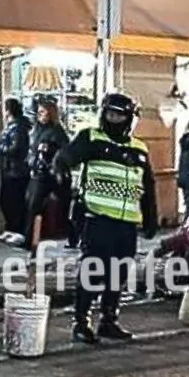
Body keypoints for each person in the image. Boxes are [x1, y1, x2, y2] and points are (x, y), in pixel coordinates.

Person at [54, 93, 157, 344]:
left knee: (118, 274)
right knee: (92, 272)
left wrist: (151, 218)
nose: (115, 119)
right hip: (97, 219)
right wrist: (62, 185)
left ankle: (109, 320)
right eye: (111, 114)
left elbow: (148, 186)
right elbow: (63, 161)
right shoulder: (91, 138)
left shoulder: (139, 148)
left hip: (127, 223)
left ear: (129, 118)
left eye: (120, 115)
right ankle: (81, 322)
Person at [25, 101, 71, 249]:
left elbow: (65, 151)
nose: (40, 115)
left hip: (51, 173)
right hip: (38, 172)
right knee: (32, 205)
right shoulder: (37, 129)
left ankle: (73, 236)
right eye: (38, 112)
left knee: (62, 207)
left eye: (43, 112)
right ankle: (30, 240)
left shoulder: (57, 131)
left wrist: (50, 152)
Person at [0, 97, 32, 246]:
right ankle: (11, 229)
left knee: (14, 202)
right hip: (9, 169)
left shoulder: (17, 127)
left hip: (16, 171)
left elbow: (16, 149)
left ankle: (17, 231)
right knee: (6, 201)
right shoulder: (12, 126)